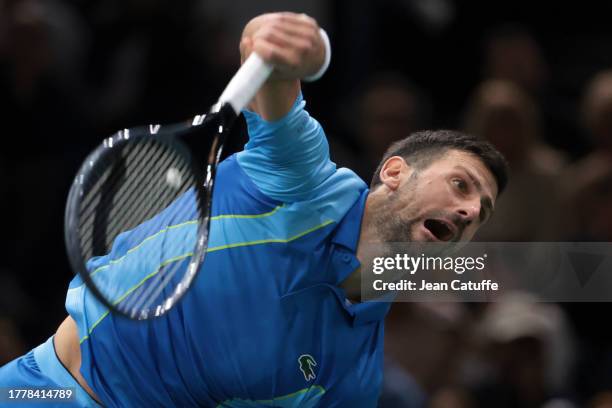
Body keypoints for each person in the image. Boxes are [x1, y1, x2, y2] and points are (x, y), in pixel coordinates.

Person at [0, 12, 508, 407]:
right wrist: (308, 48)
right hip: (44, 387)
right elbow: (267, 57)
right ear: (395, 174)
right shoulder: (302, 177)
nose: (468, 212)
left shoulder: (353, 374)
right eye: (460, 185)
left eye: (481, 212)